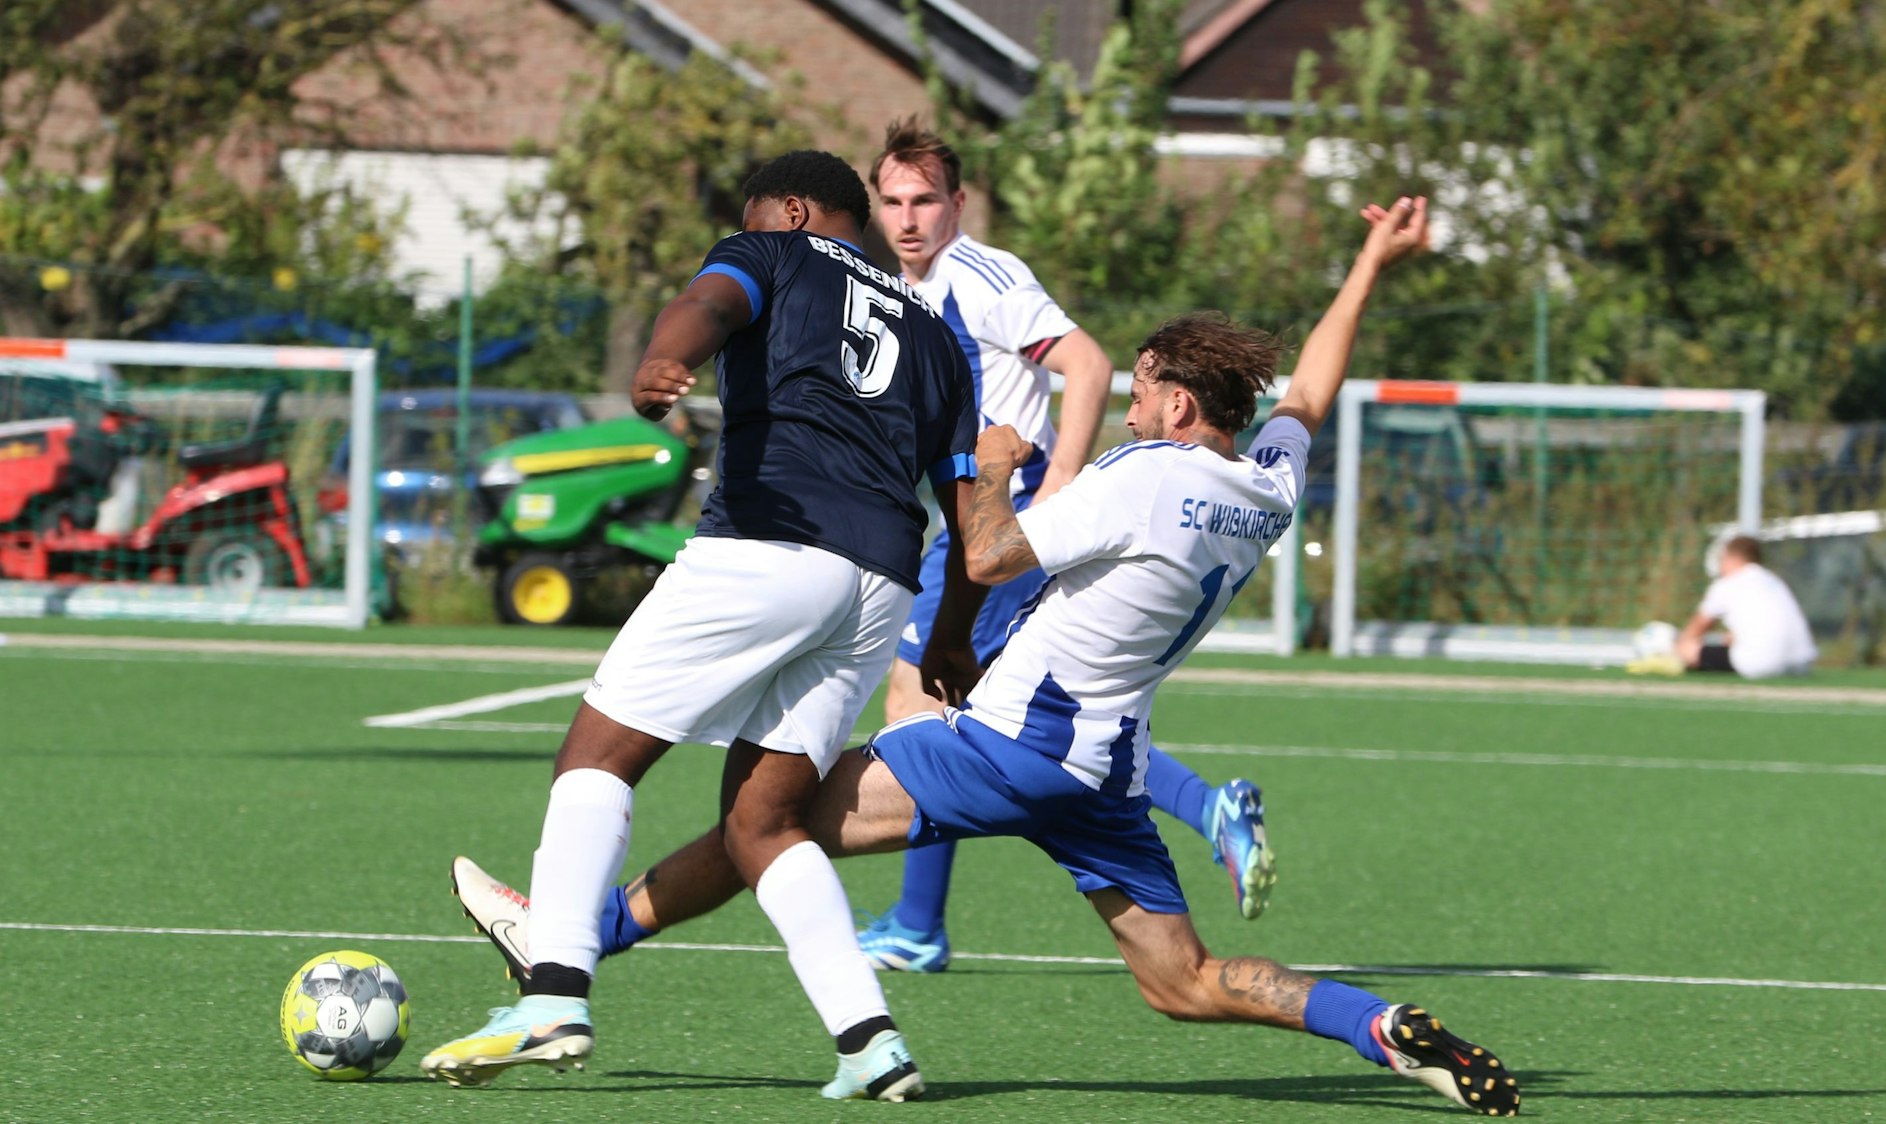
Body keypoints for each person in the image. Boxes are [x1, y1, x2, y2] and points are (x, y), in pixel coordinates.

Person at [450, 197, 1524, 1116]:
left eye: (1142, 389)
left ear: (1176, 404)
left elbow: (990, 552)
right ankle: (1375, 1024)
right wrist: (1368, 265)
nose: (1127, 406)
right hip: (1107, 771)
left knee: (761, 824)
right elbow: (1309, 398)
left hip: (1008, 742)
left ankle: (563, 944)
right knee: (1185, 980)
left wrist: (998, 465)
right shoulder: (1264, 491)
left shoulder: (1138, 474)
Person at [419, 150, 987, 1102]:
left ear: (794, 210)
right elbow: (969, 520)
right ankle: (870, 1041)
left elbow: (713, 303)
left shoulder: (771, 250)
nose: (750, 227)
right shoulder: (935, 340)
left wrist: (666, 353)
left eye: (760, 215)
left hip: (767, 548)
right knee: (761, 822)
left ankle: (554, 992)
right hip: (880, 584)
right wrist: (950, 638)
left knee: (595, 759)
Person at [860, 118, 1278, 975]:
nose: (908, 218)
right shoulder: (910, 285)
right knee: (983, 714)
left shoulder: (980, 274)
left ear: (958, 203)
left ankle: (914, 924)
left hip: (1014, 517)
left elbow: (1084, 362)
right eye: (893, 200)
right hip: (981, 514)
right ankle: (1206, 809)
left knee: (918, 708)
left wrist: (1056, 486)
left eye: (925, 200)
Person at [1628, 534, 1817, 678]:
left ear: (1733, 558)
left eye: (1723, 557)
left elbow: (1698, 627)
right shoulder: (1772, 580)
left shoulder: (1727, 584)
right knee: (1729, 640)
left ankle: (1660, 660)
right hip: (1801, 663)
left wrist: (1677, 649)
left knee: (1688, 649)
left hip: (1764, 664)